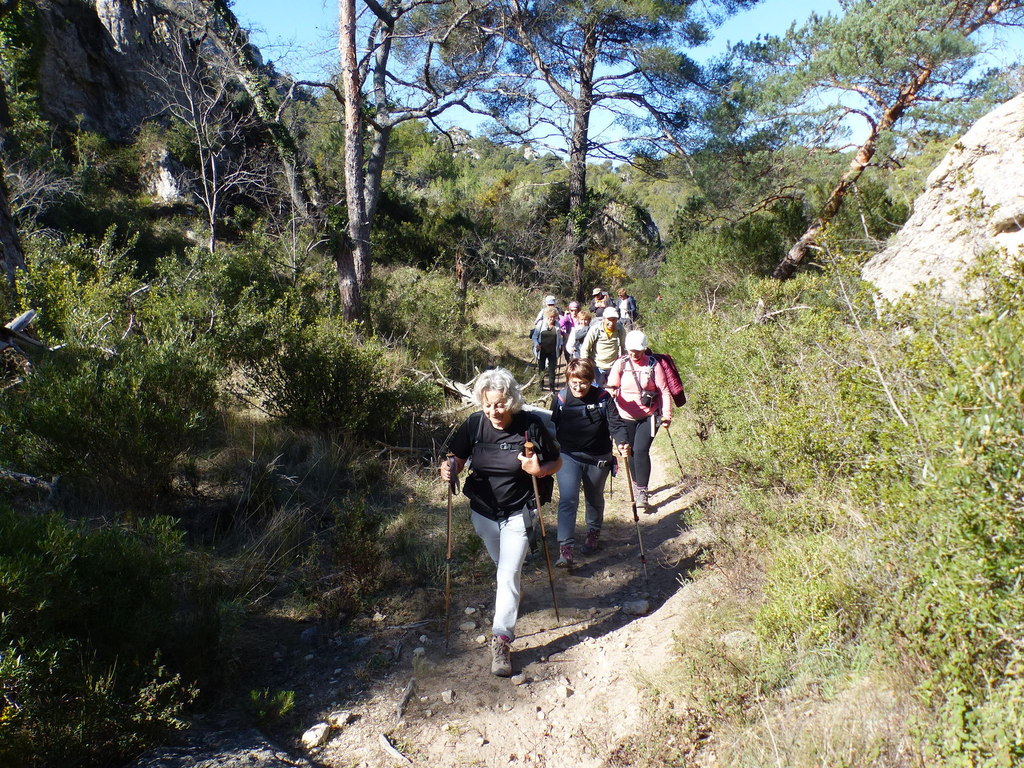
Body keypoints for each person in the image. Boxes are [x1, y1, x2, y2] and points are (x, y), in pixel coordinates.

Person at [440, 368, 562, 677]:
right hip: (483, 510)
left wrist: (540, 470)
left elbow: (556, 460)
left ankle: (502, 639)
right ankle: (512, 595)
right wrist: (449, 469)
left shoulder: (530, 426)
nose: (494, 412)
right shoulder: (474, 425)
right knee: (503, 568)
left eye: (500, 404)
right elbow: (458, 457)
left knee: (507, 573)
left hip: (519, 510)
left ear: (511, 400)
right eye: (487, 405)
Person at [550, 358, 614, 568]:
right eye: (574, 383)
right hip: (569, 456)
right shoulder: (561, 398)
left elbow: (616, 424)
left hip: (598, 457)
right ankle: (565, 548)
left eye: (583, 382)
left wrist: (622, 442)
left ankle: (593, 532)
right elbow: (553, 425)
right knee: (568, 500)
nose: (578, 387)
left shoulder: (604, 398)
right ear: (568, 380)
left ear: (591, 380)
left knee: (594, 497)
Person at [606, 330, 673, 513]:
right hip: (624, 415)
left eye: (638, 350)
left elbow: (664, 390)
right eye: (631, 350)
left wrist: (666, 415)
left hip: (648, 416)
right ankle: (637, 485)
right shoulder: (621, 363)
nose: (634, 353)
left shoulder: (653, 365)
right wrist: (612, 393)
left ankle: (642, 492)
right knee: (632, 452)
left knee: (641, 449)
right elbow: (612, 385)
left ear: (644, 349)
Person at [580, 306, 626, 386]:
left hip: (613, 366)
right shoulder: (595, 329)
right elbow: (585, 348)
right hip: (597, 367)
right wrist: (586, 366)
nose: (611, 323)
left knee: (613, 390)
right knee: (597, 391)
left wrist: (623, 363)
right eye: (609, 319)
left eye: (614, 319)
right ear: (604, 319)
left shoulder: (619, 329)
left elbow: (623, 346)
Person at [531, 306, 563, 391]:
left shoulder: (557, 324)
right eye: (550, 317)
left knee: (552, 370)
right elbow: (534, 337)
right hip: (542, 350)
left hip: (553, 350)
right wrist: (536, 344)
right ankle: (540, 385)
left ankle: (552, 388)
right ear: (546, 316)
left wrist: (560, 346)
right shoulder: (540, 324)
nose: (552, 319)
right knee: (541, 368)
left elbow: (559, 338)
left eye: (553, 317)